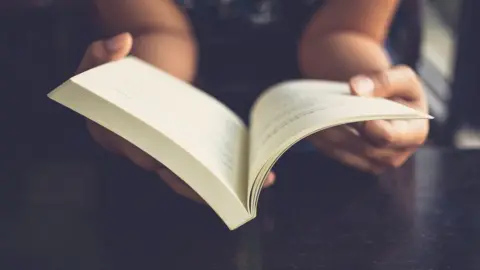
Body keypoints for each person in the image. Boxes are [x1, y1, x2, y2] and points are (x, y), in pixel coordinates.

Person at [2, 0, 429, 202]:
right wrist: (137, 101)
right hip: (154, 175)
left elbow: (346, 32)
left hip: (327, 162)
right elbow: (154, 29)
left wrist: (373, 97)